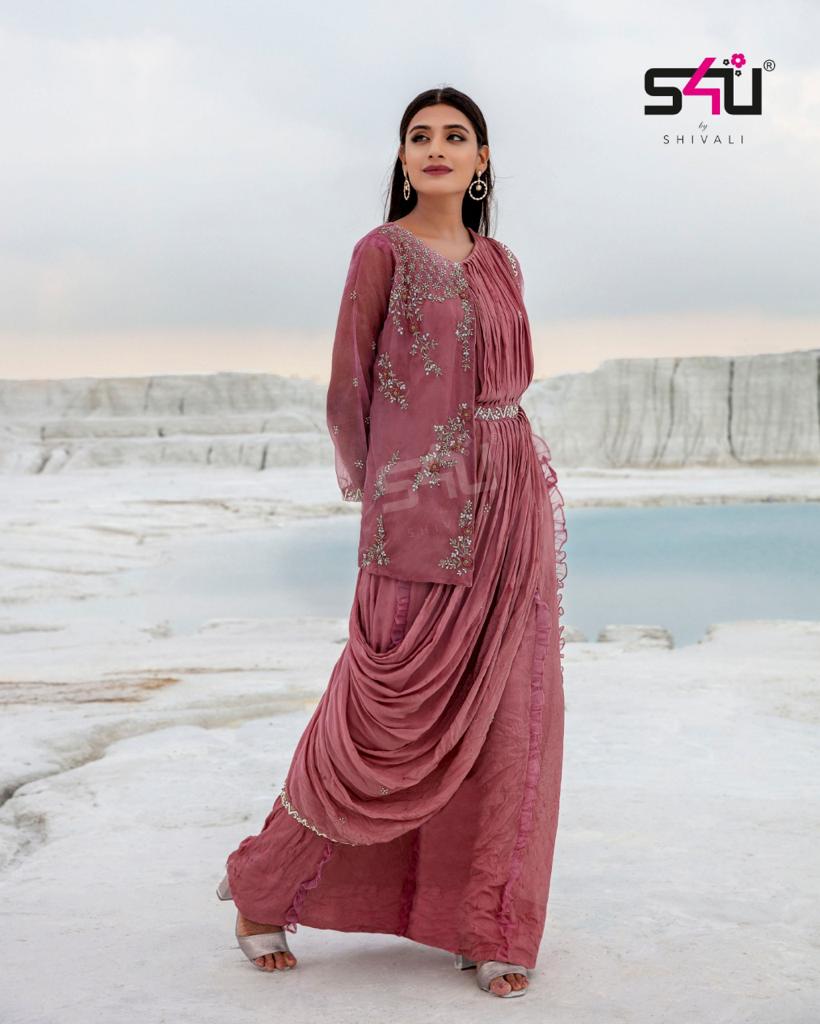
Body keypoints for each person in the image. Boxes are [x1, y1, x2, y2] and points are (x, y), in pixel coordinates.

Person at [216, 85, 567, 1000]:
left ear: (482, 160)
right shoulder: (381, 254)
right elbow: (349, 391)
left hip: (510, 501)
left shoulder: (502, 262)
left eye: (456, 135)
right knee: (380, 721)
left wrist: (502, 486)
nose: (437, 147)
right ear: (403, 158)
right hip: (418, 509)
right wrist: (387, 503)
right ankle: (262, 891)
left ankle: (488, 922)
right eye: (420, 136)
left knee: (512, 714)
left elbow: (507, 387)